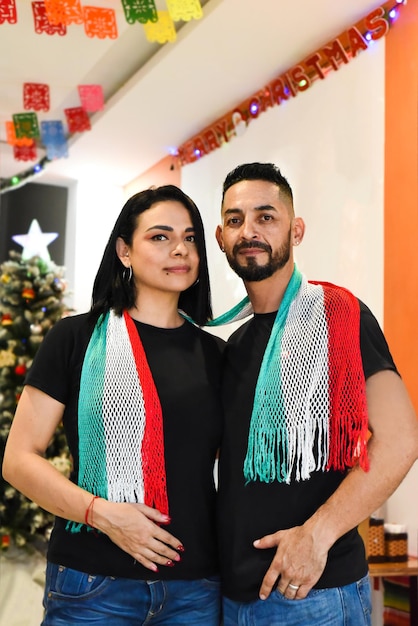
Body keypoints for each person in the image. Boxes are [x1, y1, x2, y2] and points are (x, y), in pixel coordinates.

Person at [2, 185, 225, 626]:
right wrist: (102, 514)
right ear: (124, 250)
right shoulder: (75, 338)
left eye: (190, 237)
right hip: (91, 583)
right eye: (159, 237)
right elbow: (18, 459)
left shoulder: (218, 355)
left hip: (195, 588)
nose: (179, 249)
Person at [214, 162, 418, 626]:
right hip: (234, 597)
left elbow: (403, 438)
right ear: (221, 237)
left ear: (296, 229)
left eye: (266, 216)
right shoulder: (234, 345)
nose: (250, 230)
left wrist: (315, 536)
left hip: (313, 593)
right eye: (235, 219)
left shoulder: (339, 314)